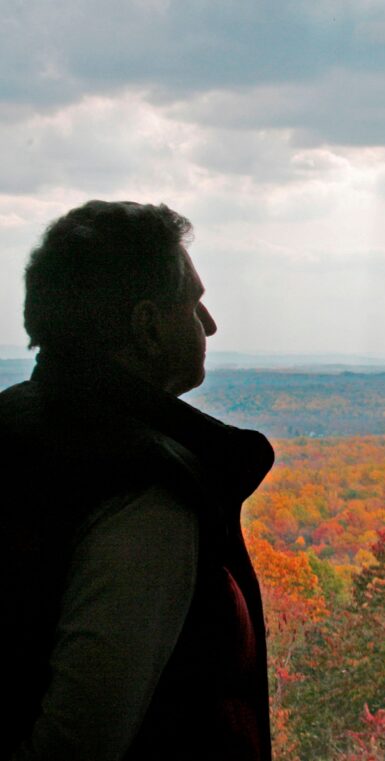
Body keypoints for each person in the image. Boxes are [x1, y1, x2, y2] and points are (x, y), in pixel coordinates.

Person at [0, 201, 275, 760]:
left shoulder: (16, 430)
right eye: (195, 304)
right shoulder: (143, 491)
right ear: (148, 327)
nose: (211, 325)